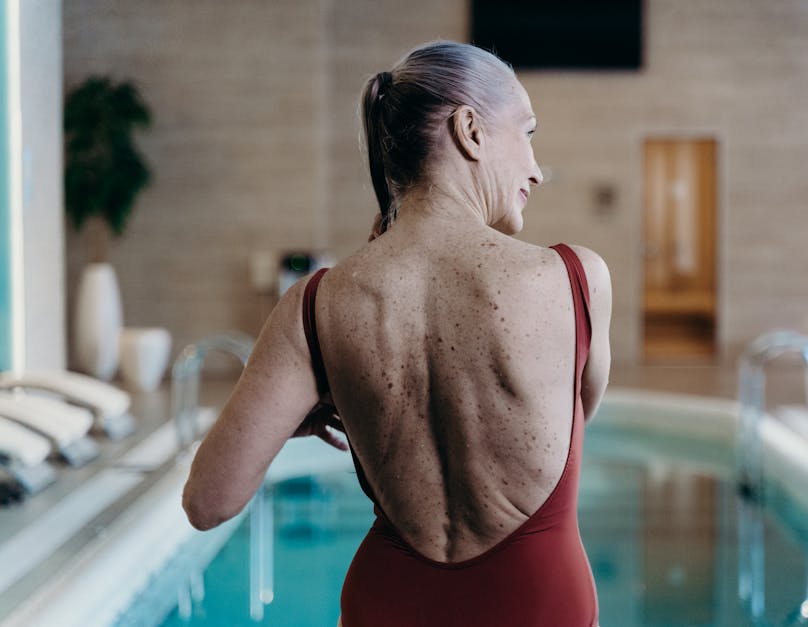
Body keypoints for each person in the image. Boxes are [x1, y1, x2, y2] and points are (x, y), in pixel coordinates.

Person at [182, 40, 612, 627]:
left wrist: (290, 418)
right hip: (537, 602)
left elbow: (208, 503)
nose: (536, 168)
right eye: (528, 133)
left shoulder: (316, 305)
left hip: (387, 604)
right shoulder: (576, 280)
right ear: (471, 130)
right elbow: (573, 421)